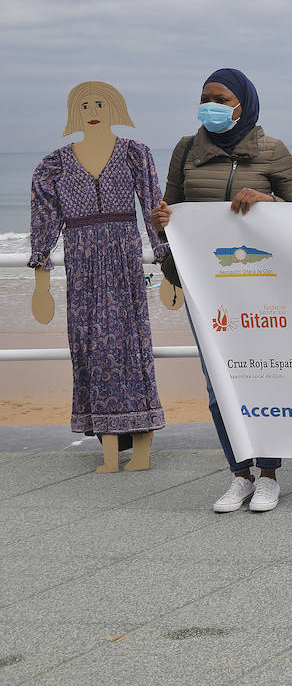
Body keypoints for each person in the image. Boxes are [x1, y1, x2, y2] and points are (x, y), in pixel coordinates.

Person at [151, 68, 292, 513]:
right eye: (205, 98)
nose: (211, 106)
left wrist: (267, 200)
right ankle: (239, 475)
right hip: (205, 287)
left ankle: (270, 476)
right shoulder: (185, 149)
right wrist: (163, 220)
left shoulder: (272, 151)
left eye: (221, 98)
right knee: (219, 384)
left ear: (243, 104)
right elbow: (170, 207)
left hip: (260, 286)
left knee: (263, 374)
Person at [29, 82, 166, 473]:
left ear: (115, 108)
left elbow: (153, 208)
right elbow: (44, 221)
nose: (93, 109)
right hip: (82, 264)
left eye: (101, 103)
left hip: (124, 258)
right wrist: (42, 279)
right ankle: (108, 455)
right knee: (92, 351)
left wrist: (165, 263)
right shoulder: (53, 164)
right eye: (84, 104)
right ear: (74, 111)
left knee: (133, 349)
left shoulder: (135, 154)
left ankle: (140, 454)